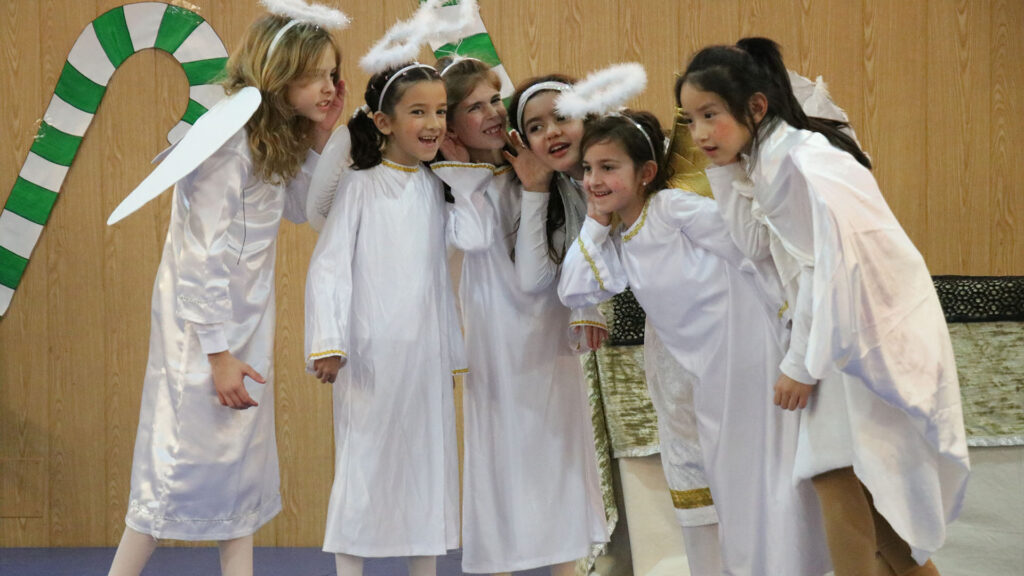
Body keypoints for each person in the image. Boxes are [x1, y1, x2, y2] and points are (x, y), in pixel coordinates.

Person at [678, 37, 970, 575]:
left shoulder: (797, 159)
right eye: (690, 119)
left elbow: (824, 269)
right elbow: (756, 247)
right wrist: (723, 168)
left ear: (756, 107)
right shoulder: (768, 160)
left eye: (710, 115)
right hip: (839, 335)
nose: (697, 134)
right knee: (856, 487)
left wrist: (798, 366)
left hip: (853, 338)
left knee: (833, 474)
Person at [108, 11, 344, 576]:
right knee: (172, 473)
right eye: (315, 76)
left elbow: (302, 210)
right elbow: (201, 255)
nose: (330, 88)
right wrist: (216, 355)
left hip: (244, 323)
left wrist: (320, 140)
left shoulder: (274, 134)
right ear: (278, 72)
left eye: (333, 74)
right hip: (201, 331)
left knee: (240, 472)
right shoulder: (229, 140)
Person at [558, 109, 830, 575]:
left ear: (645, 173)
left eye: (608, 167)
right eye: (587, 168)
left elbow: (755, 251)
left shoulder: (672, 209)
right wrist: (597, 222)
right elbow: (575, 288)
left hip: (747, 361)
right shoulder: (623, 233)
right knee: (715, 487)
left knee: (762, 483)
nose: (594, 179)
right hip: (702, 375)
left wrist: (790, 339)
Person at [432, 56, 606, 576]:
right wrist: (482, 179)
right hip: (496, 343)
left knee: (558, 462)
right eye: (472, 107)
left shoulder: (561, 185)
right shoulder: (465, 180)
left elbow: (539, 279)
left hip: (547, 343)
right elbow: (474, 239)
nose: (489, 114)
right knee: (499, 462)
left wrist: (534, 189)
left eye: (493, 102)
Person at [304, 62, 464, 576]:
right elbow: (328, 267)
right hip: (369, 357)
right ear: (383, 121)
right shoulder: (360, 185)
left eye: (440, 111)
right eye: (418, 111)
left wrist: (452, 350)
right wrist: (328, 341)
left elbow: (447, 275)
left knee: (428, 467)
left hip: (425, 357)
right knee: (364, 466)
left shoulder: (438, 188)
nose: (434, 123)